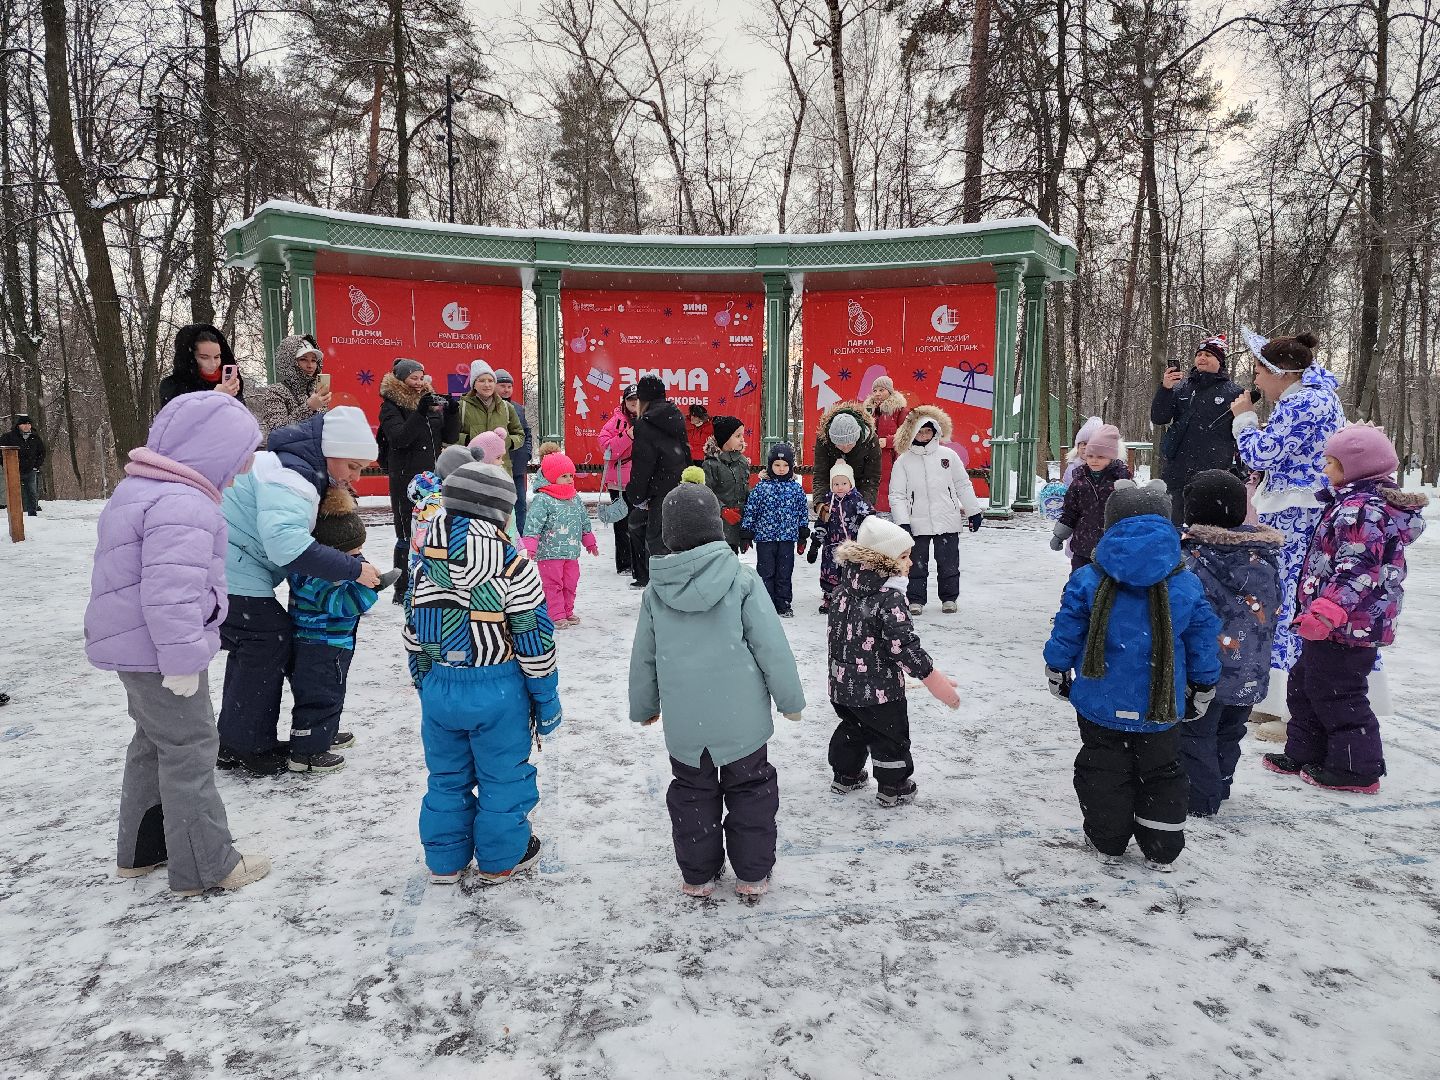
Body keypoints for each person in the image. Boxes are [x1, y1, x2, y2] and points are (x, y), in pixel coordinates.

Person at [84, 392, 271, 895]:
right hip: (163, 651)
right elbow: (170, 595)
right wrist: (184, 660)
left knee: (154, 741)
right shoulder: (183, 504)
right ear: (212, 451)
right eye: (240, 457)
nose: (243, 470)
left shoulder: (140, 490)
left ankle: (142, 850)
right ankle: (207, 866)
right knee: (190, 746)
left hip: (137, 650)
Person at [629, 483, 805, 901]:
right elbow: (770, 645)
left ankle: (697, 876)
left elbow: (645, 656)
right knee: (751, 793)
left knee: (692, 795)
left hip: (687, 724)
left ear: (669, 535)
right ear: (715, 529)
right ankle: (752, 873)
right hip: (740, 719)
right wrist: (789, 700)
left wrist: (645, 705)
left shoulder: (657, 591)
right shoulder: (742, 580)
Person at [1043, 480, 1221, 872]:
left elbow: (1068, 627)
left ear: (1110, 526)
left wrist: (1057, 665)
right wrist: (1205, 683)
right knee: (1162, 770)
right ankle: (1162, 844)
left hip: (1100, 699)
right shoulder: (1184, 581)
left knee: (1103, 767)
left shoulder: (1090, 578)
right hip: (1162, 704)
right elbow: (1203, 639)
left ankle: (1107, 837)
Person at [406, 461, 559, 886]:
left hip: (440, 686)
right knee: (503, 778)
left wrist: (425, 681)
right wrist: (546, 698)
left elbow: (413, 628)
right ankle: (499, 858)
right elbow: (532, 636)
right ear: (500, 513)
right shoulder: (513, 565)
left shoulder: (424, 563)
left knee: (446, 778)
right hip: (498, 688)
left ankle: (445, 860)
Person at [218, 407, 384, 775]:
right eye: (353, 467)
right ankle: (248, 746)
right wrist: (354, 569)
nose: (355, 478)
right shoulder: (294, 478)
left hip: (230, 562)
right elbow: (285, 544)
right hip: (228, 566)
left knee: (261, 642)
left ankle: (237, 740)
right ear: (333, 452)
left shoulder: (299, 468)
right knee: (264, 640)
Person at [1262, 425, 1427, 794]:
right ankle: (1307, 751)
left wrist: (1326, 611)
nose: (1325, 468)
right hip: (1331, 621)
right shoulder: (1345, 502)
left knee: (1339, 693)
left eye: (1331, 463)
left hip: (1350, 624)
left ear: (1355, 468)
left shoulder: (1361, 511)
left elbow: (1357, 569)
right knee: (1305, 683)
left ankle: (1357, 768)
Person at [1228, 332, 1346, 741]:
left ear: (1282, 373)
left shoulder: (1305, 402)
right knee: (1284, 597)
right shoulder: (1310, 397)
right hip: (1296, 506)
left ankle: (1293, 710)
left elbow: (1260, 453)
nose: (1256, 382)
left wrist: (1243, 417)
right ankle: (1278, 700)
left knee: (1290, 597)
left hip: (1299, 510)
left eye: (1259, 372)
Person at [827, 516, 962, 808]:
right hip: (880, 689)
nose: (910, 563)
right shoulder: (889, 598)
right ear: (883, 562)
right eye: (903, 556)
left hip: (843, 685)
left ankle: (845, 774)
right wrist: (931, 677)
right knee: (890, 738)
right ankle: (894, 786)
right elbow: (903, 645)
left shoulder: (840, 592)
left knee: (852, 729)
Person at [1178, 470, 1283, 816]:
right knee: (1229, 731)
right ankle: (1221, 783)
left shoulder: (1192, 560)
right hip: (1250, 669)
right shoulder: (1264, 558)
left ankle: (1200, 798)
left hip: (1206, 672)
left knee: (1195, 735)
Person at [285, 489, 390, 775]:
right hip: (319, 646)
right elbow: (345, 604)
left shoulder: (323, 568)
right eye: (352, 554)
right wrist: (371, 588)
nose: (358, 558)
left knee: (331, 693)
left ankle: (325, 734)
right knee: (319, 697)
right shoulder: (316, 576)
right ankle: (306, 752)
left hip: (331, 643)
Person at [888, 405, 984, 616]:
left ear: (935, 432)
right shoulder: (904, 460)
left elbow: (962, 484)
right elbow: (897, 494)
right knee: (916, 565)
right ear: (912, 432)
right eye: (920, 431)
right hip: (916, 522)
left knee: (949, 563)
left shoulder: (948, 456)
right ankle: (915, 599)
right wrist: (902, 521)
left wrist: (973, 511)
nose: (924, 435)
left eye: (928, 431)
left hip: (946, 519)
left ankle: (949, 598)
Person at [1150, 335, 1245, 526]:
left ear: (1220, 360)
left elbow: (1241, 433)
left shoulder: (1234, 392)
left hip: (1213, 471)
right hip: (1177, 470)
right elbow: (1159, 418)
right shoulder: (1180, 387)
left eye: (1208, 354)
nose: (1202, 358)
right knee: (1173, 527)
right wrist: (1165, 389)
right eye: (1199, 354)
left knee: (1207, 529)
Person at [379, 359, 447, 603]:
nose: (419, 383)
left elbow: (446, 436)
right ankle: (402, 587)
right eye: (413, 378)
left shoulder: (430, 401)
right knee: (407, 533)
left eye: (421, 377)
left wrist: (452, 413)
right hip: (405, 478)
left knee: (432, 531)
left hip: (432, 477)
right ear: (401, 380)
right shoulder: (390, 406)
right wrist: (419, 413)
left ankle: (429, 581)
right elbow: (399, 438)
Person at [521, 451, 599, 628]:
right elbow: (533, 523)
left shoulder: (574, 498)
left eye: (571, 475)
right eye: (564, 476)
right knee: (553, 584)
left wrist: (589, 541)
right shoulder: (543, 499)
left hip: (571, 552)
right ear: (551, 478)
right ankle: (555, 614)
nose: (570, 479)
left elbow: (584, 521)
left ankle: (567, 610)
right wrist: (530, 545)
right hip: (549, 553)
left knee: (570, 582)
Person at [624, 375, 691, 578]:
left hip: (659, 491)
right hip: (680, 488)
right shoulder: (676, 416)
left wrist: (635, 495)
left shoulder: (645, 424)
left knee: (657, 544)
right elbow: (685, 452)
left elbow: (643, 464)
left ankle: (662, 593)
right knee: (675, 543)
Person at [739, 443, 810, 618]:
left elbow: (802, 510)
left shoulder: (795, 488)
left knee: (784, 572)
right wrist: (747, 531)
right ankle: (766, 603)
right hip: (765, 538)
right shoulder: (761, 488)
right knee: (766, 572)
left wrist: (802, 531)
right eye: (777, 465)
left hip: (787, 538)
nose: (781, 469)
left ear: (791, 466)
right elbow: (751, 510)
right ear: (770, 465)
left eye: (785, 465)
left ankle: (784, 603)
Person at [1050, 424, 1130, 572]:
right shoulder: (1079, 482)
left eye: (1100, 457)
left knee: (1107, 586)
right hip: (1083, 546)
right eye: (1090, 456)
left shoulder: (1121, 483)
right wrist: (1059, 535)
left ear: (1111, 458)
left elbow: (1130, 515)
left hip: (1111, 547)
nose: (1094, 460)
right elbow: (1070, 512)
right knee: (1079, 583)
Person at [807, 460, 871, 614]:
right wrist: (816, 543)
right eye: (836, 484)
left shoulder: (857, 500)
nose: (840, 487)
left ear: (851, 483)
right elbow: (822, 522)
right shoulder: (828, 502)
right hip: (832, 547)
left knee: (852, 572)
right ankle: (830, 598)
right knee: (830, 572)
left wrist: (868, 531)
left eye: (843, 483)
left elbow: (869, 516)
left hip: (852, 547)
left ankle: (851, 599)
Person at [252, 334, 330, 443]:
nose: (310, 366)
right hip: (289, 456)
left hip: (318, 455)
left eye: (313, 360)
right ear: (289, 362)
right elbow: (277, 432)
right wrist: (309, 407)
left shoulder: (316, 392)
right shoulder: (275, 392)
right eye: (303, 359)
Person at [599, 385, 641, 579]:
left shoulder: (648, 420)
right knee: (623, 523)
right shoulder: (615, 422)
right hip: (620, 482)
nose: (634, 402)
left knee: (640, 523)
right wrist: (628, 436)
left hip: (642, 479)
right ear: (624, 401)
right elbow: (608, 449)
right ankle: (624, 563)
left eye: (638, 399)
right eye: (631, 399)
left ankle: (640, 561)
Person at [812, 402, 882, 509]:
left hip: (859, 488)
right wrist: (821, 504)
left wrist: (864, 504)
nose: (845, 448)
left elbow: (871, 478)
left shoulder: (870, 441)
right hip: (833, 491)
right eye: (839, 445)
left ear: (858, 437)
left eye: (849, 444)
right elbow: (821, 475)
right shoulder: (823, 440)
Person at [158, 324, 244, 406]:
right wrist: (215, 397)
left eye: (217, 357)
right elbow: (178, 418)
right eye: (204, 357)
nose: (213, 364)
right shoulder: (172, 386)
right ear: (190, 358)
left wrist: (235, 398)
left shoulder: (228, 384)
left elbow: (239, 419)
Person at [701, 416, 751, 553]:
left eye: (743, 435)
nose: (742, 439)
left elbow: (745, 488)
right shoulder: (711, 464)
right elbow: (707, 493)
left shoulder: (742, 462)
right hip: (718, 527)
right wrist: (722, 510)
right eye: (737, 436)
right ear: (725, 439)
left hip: (738, 524)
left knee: (732, 560)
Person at [862, 376, 910, 513]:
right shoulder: (868, 411)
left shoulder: (900, 411)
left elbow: (907, 435)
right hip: (870, 459)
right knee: (873, 489)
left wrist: (887, 441)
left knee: (890, 492)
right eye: (875, 390)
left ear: (889, 391)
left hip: (892, 460)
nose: (877, 393)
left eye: (881, 390)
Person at [453, 359, 523, 450]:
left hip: (499, 463)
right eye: (482, 381)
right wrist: (468, 440)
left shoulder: (506, 407)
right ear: (474, 385)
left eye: (490, 381)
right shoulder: (461, 407)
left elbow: (519, 435)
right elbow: (449, 437)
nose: (487, 385)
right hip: (472, 462)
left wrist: (506, 442)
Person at [495, 369, 533, 534]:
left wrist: (527, 454)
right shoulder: (488, 409)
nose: (506, 389)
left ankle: (521, 539)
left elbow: (526, 433)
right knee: (499, 505)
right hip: (496, 466)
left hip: (517, 466)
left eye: (509, 386)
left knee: (520, 505)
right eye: (502, 385)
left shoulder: (518, 408)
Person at [0, 414, 45, 515]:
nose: (27, 426)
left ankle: (32, 513)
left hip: (30, 470)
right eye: (24, 424)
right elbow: (1, 451)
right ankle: (15, 514)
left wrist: (36, 466)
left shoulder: (34, 437)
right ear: (18, 425)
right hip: (13, 470)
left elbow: (42, 452)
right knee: (14, 492)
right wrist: (5, 465)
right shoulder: (9, 437)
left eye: (29, 424)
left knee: (32, 492)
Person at [1063, 416, 1105, 484]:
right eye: (1083, 443)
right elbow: (1067, 489)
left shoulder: (1109, 469)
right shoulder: (1072, 467)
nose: (1086, 447)